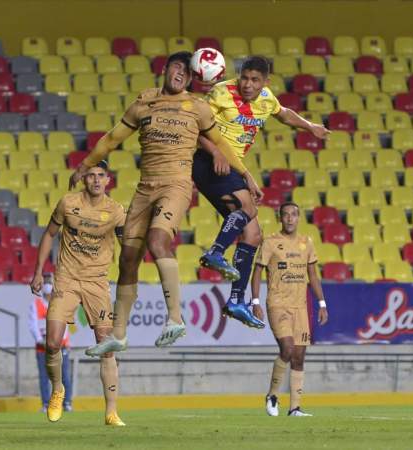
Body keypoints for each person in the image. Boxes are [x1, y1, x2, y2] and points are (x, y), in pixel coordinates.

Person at [76, 51, 262, 357]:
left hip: (175, 185)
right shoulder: (144, 102)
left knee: (157, 240)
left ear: (192, 78)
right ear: (165, 69)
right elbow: (111, 139)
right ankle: (118, 335)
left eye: (188, 73)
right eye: (178, 67)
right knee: (128, 260)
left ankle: (175, 318)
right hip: (144, 188)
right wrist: (85, 165)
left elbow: (222, 144)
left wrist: (246, 176)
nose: (181, 75)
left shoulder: (198, 108)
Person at [194, 56, 330, 329]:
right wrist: (217, 151)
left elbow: (284, 114)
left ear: (265, 82)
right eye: (244, 77)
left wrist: (310, 126)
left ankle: (235, 300)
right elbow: (194, 128)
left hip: (233, 166)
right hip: (208, 160)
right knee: (248, 208)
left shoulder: (266, 98)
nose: (247, 84)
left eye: (255, 80)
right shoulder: (221, 92)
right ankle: (216, 253)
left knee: (254, 235)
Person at [30, 160, 127, 426]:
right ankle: (58, 390)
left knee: (106, 347)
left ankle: (111, 411)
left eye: (101, 176)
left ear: (108, 180)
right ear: (84, 179)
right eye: (91, 175)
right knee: (51, 342)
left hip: (97, 282)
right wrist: (39, 271)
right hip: (67, 278)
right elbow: (49, 234)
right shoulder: (67, 204)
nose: (96, 180)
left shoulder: (116, 211)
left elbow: (128, 246)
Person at [250, 202, 329, 417]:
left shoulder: (307, 242)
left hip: (300, 307)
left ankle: (295, 408)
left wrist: (322, 303)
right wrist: (255, 301)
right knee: (287, 349)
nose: (290, 218)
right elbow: (257, 271)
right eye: (285, 215)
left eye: (294, 215)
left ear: (299, 217)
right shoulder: (271, 242)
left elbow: (313, 275)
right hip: (277, 304)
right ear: (280, 218)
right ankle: (272, 395)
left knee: (299, 357)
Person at [28, 273, 73, 413]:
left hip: (60, 346)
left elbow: (64, 326)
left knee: (64, 375)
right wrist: (40, 341)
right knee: (44, 376)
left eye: (50, 282)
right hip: (42, 347)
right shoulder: (35, 305)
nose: (48, 285)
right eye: (45, 282)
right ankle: (46, 404)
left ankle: (66, 403)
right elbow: (32, 325)